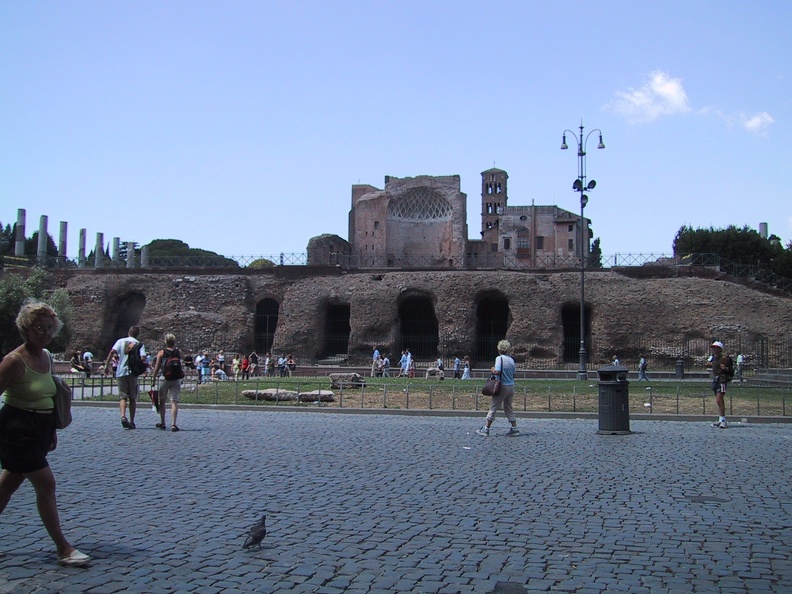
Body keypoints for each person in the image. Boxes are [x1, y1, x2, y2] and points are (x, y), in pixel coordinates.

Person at [0, 302, 91, 566]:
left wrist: (51, 430)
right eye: (39, 328)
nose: (45, 333)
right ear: (26, 329)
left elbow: (49, 395)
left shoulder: (46, 356)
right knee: (46, 484)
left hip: (39, 428)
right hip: (16, 428)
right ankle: (63, 548)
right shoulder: (13, 361)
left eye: (50, 328)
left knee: (7, 486)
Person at [103, 326, 146, 430]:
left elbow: (112, 352)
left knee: (123, 396)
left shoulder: (120, 341)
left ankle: (123, 416)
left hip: (121, 372)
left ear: (129, 332)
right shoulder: (139, 344)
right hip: (133, 373)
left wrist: (106, 366)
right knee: (132, 398)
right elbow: (143, 358)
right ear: (137, 334)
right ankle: (132, 421)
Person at [476, 340, 519, 437]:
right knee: (508, 407)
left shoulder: (499, 358)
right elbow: (514, 374)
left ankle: (486, 429)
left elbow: (497, 371)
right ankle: (514, 428)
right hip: (511, 386)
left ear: (499, 349)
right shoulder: (511, 360)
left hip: (502, 385)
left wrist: (492, 369)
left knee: (493, 406)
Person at [149, 333, 183, 432]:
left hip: (164, 378)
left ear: (165, 342)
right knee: (174, 401)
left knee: (162, 401)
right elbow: (186, 360)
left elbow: (157, 368)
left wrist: (153, 379)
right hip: (176, 379)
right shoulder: (178, 352)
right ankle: (173, 424)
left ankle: (163, 422)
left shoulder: (161, 353)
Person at [709, 341, 730, 428]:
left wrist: (725, 368)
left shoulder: (724, 358)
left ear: (720, 349)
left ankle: (723, 421)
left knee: (719, 400)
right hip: (715, 380)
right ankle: (721, 419)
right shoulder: (713, 357)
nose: (713, 349)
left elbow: (731, 369)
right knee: (719, 401)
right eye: (713, 347)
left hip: (722, 380)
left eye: (715, 348)